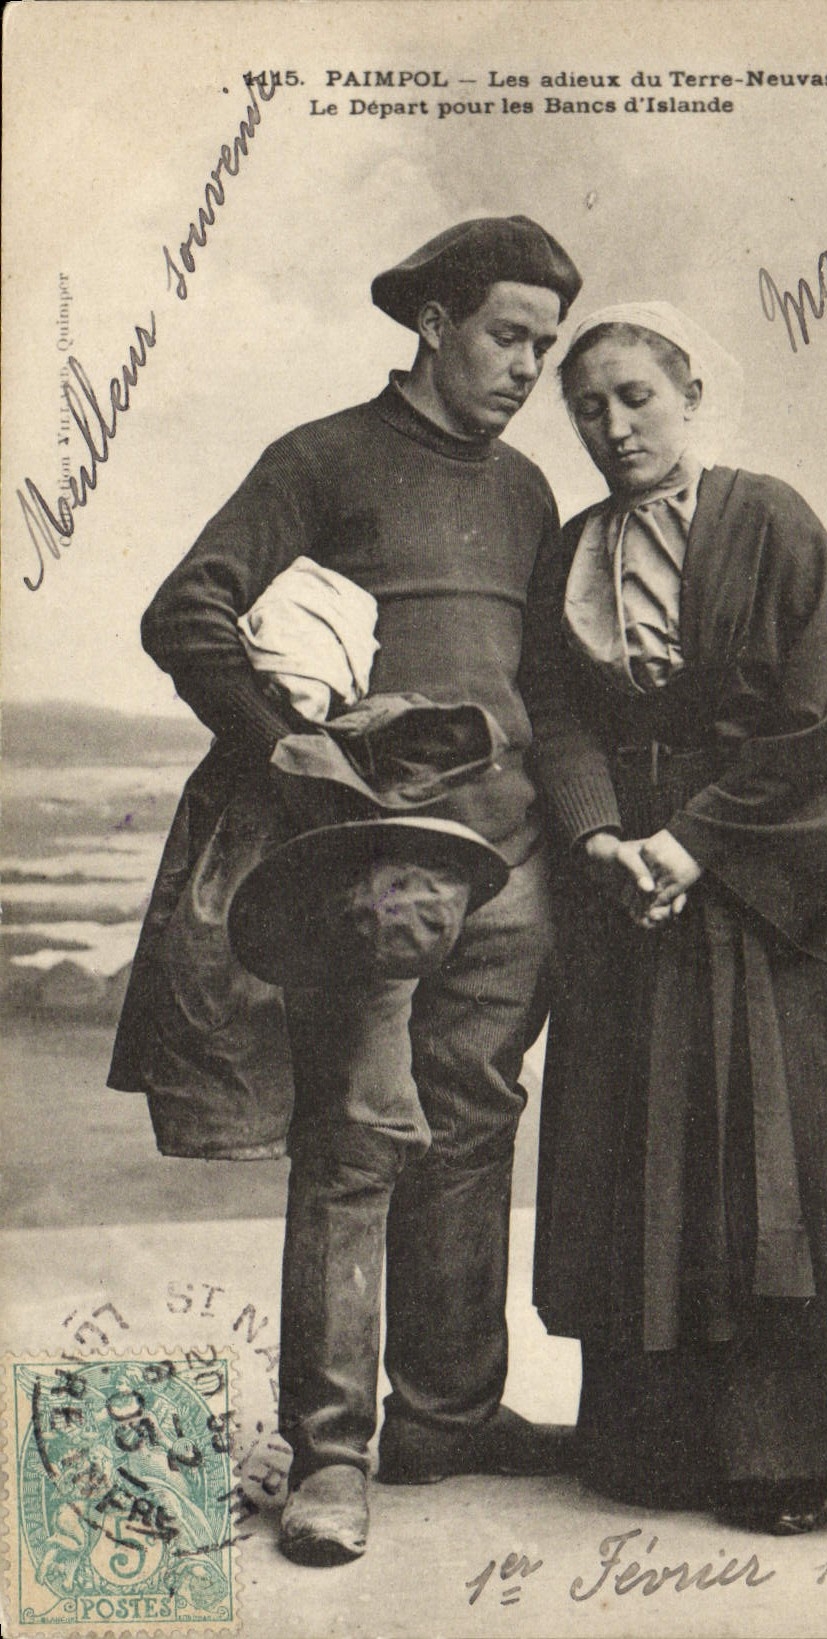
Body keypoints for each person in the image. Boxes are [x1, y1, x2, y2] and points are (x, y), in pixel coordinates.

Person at [120, 217, 582, 1565]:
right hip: (371, 868)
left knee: (475, 1123)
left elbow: (543, 685)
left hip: (513, 869)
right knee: (357, 1136)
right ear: (433, 322)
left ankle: (445, 1415)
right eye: (508, 334)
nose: (525, 368)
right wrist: (285, 742)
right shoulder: (320, 457)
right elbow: (187, 610)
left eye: (544, 348)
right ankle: (332, 1454)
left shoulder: (530, 491)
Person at [525, 302, 827, 1535]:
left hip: (777, 883)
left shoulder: (768, 517)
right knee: (650, 1153)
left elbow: (822, 711)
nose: (612, 425)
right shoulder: (571, 548)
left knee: (773, 1155)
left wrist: (694, 840)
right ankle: (660, 1441)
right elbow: (556, 714)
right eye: (587, 406)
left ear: (690, 396)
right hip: (631, 886)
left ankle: (788, 1452)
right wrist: (600, 838)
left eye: (636, 397)